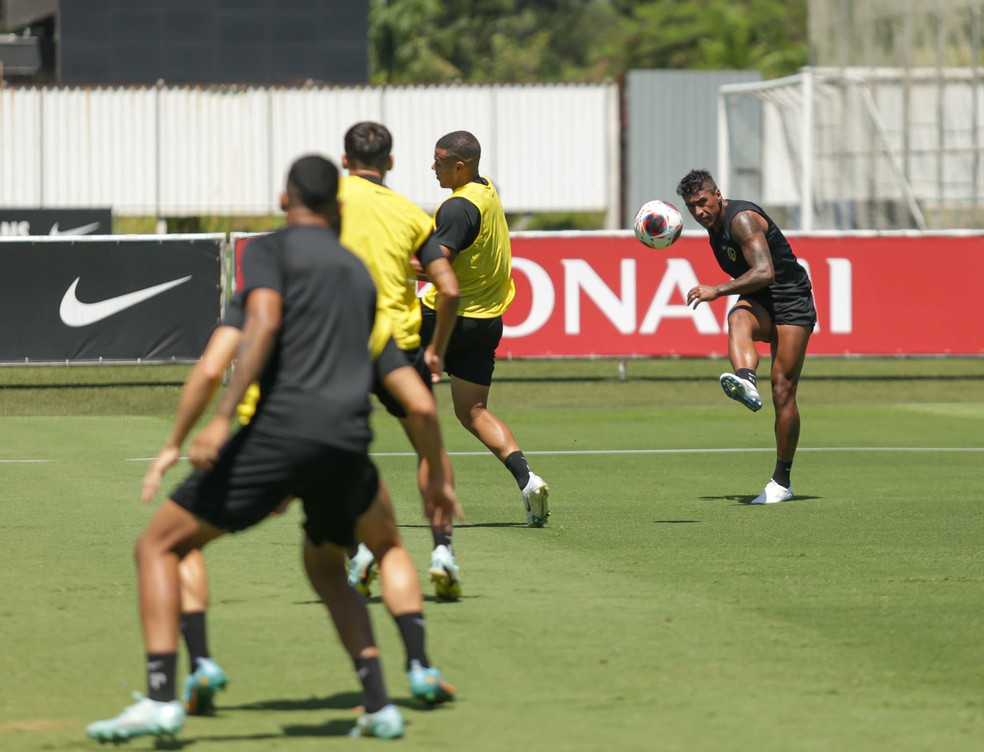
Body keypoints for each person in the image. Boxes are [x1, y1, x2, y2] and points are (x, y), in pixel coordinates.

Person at [86, 155, 460, 744]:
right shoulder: (359, 277)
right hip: (345, 445)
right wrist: (437, 473)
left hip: (278, 436)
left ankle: (162, 696)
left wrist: (206, 428)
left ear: (285, 202)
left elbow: (242, 340)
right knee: (328, 564)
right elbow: (416, 402)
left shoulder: (268, 253)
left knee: (158, 546)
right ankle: (380, 701)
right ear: (337, 210)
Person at [336, 121, 465, 601]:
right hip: (400, 348)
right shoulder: (410, 214)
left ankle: (360, 551)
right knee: (429, 449)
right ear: (389, 163)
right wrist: (435, 350)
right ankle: (443, 552)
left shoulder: (326, 204)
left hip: (340, 347)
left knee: (336, 453)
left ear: (345, 160)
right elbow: (448, 288)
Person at [421, 129, 550, 527]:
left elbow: (436, 267)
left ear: (461, 167)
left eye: (439, 162)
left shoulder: (458, 208)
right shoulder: (487, 189)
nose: (433, 167)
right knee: (472, 411)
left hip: (444, 318)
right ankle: (528, 480)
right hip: (485, 320)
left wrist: (383, 261)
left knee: (382, 382)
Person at [675, 168, 816, 505]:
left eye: (702, 202)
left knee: (783, 389)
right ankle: (745, 380)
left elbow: (765, 272)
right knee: (738, 317)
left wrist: (717, 289)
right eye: (692, 207)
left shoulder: (742, 220)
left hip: (791, 301)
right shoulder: (714, 227)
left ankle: (782, 482)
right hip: (764, 300)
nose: (699, 212)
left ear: (718, 195)